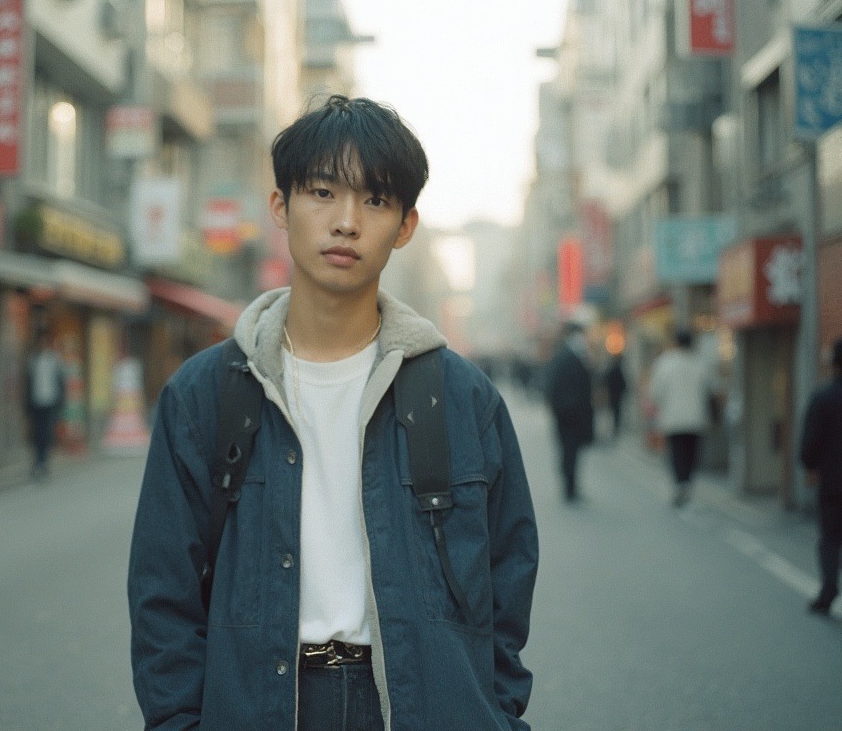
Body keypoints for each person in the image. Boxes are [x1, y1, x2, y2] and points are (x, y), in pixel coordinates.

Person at [128, 96, 538, 731]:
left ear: (405, 225)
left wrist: (496, 714)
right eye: (322, 192)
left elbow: (508, 584)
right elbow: (163, 595)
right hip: (263, 704)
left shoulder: (461, 398)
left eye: (375, 200)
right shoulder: (205, 395)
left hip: (418, 705)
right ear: (280, 208)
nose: (346, 222)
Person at [647, 329, 715, 508]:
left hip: (673, 417)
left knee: (677, 452)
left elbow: (655, 392)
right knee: (691, 452)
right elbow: (711, 388)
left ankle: (679, 485)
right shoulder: (700, 362)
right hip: (696, 417)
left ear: (675, 342)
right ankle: (687, 484)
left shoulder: (665, 362)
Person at [799, 338, 842, 616]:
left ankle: (829, 588)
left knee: (830, 536)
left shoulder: (824, 396)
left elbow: (810, 441)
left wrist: (810, 465)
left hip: (833, 480)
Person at [543, 320, 595, 501]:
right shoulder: (572, 357)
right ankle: (570, 487)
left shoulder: (561, 356)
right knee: (570, 450)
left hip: (564, 413)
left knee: (567, 449)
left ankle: (569, 485)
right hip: (571, 414)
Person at [25, 330, 66, 480]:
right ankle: (37, 461)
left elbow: (61, 382)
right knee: (37, 433)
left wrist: (61, 402)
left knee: (47, 433)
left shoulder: (54, 360)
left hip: (50, 401)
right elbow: (28, 384)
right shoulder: (33, 360)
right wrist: (27, 405)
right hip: (36, 402)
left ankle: (43, 461)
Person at [603, 353, 628, 438]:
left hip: (614, 394)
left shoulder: (612, 369)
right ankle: (616, 426)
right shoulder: (616, 369)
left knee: (615, 411)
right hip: (616, 394)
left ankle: (616, 426)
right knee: (616, 411)